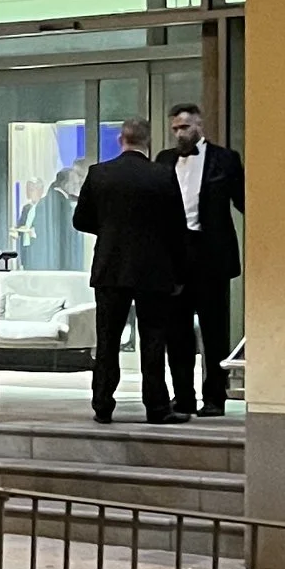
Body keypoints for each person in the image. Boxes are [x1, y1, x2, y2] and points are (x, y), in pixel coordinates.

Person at [73, 120, 187, 425]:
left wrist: (110, 231)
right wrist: (178, 273)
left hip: (111, 266)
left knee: (108, 339)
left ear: (122, 139)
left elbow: (80, 220)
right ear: (147, 141)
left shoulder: (100, 174)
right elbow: (177, 227)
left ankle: (102, 404)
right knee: (153, 339)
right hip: (154, 268)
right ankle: (157, 407)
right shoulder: (162, 174)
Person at [165, 102, 246, 417]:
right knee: (177, 331)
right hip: (176, 255)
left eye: (184, 127)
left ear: (199, 126)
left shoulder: (225, 159)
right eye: (175, 128)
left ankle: (215, 397)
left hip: (211, 255)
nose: (179, 133)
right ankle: (182, 397)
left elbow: (243, 200)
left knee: (214, 331)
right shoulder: (165, 160)